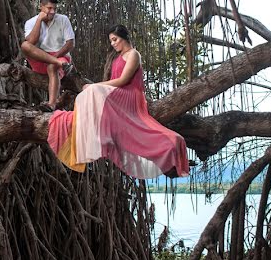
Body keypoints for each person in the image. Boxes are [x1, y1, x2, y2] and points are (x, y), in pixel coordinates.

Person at [47, 25, 189, 179]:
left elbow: (123, 80)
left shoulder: (133, 54)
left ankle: (169, 149)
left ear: (125, 37)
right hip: (119, 93)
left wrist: (95, 86)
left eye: (115, 39)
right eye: (111, 41)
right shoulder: (117, 58)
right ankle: (94, 125)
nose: (113, 44)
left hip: (129, 96)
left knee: (93, 91)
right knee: (89, 93)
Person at [21, 0, 75, 111]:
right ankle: (59, 64)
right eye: (49, 8)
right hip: (40, 58)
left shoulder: (63, 19)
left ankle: (51, 104)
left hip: (60, 56)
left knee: (52, 66)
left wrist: (55, 57)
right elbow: (31, 42)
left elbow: (70, 43)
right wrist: (39, 20)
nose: (52, 11)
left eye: (55, 8)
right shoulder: (31, 22)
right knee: (25, 45)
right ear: (41, 7)